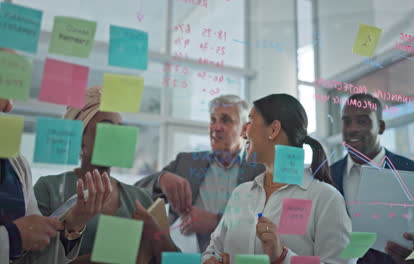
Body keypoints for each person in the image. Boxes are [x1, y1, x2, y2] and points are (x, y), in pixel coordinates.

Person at [202, 94, 352, 264]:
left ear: (273, 130)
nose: (243, 133)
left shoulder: (325, 199)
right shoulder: (241, 193)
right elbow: (214, 249)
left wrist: (283, 257)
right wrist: (212, 259)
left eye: (250, 121)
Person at [33, 86, 160, 263]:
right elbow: (30, 258)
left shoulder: (141, 198)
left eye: (120, 128)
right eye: (107, 127)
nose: (118, 136)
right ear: (80, 139)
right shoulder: (49, 189)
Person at [331, 93, 414, 264]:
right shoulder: (326, 176)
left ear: (381, 127)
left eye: (362, 121)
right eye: (347, 121)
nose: (352, 129)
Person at [135, 95, 265, 252]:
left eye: (225, 120)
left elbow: (269, 221)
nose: (216, 127)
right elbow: (136, 193)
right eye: (213, 120)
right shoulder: (186, 163)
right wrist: (161, 179)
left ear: (245, 129)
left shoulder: (260, 170)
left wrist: (216, 222)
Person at [0, 97, 111, 264]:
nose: (9, 105)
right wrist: (12, 238)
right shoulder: (48, 187)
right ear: (81, 139)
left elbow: (33, 256)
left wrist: (73, 226)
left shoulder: (16, 164)